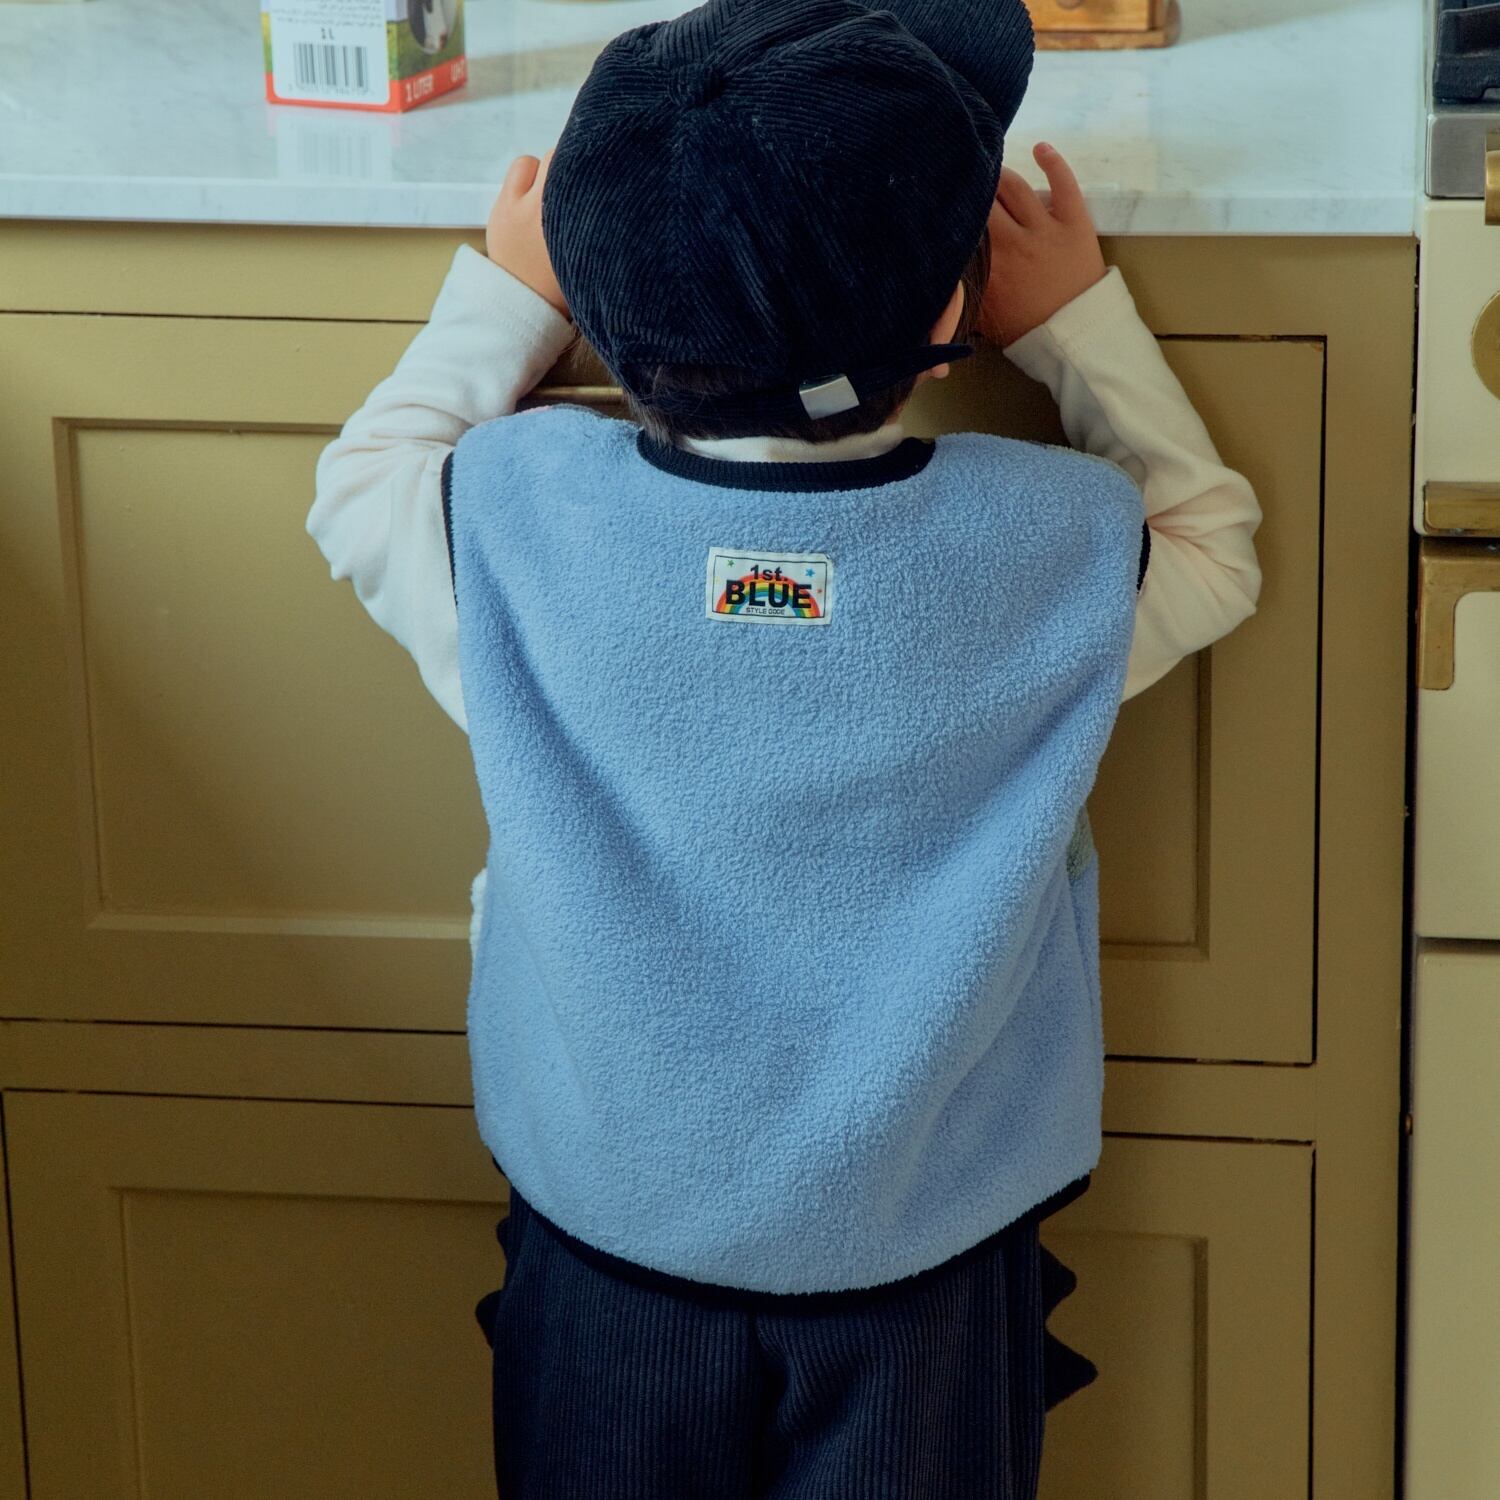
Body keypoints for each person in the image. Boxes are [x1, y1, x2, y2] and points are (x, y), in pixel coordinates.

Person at [306, 1, 1262, 1494]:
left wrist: (508, 296)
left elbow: (360, 483)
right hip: (922, 1255)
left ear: (597, 300)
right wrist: (1075, 318)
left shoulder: (513, 523)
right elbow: (1213, 543)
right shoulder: (1041, 548)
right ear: (953, 321)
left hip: (607, 1243)